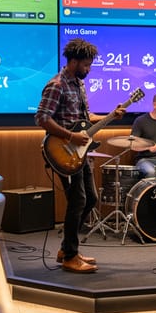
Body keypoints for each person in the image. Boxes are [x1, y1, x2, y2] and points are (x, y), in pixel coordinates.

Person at [35, 38, 125, 274]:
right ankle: (70, 256)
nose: (89, 69)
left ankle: (67, 247)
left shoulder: (78, 84)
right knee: (78, 201)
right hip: (61, 152)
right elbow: (42, 118)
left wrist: (109, 116)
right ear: (73, 62)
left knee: (90, 200)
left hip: (79, 153)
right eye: (86, 65)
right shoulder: (56, 85)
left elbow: (84, 117)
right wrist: (71, 137)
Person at [131, 92, 156, 179]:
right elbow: (132, 145)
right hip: (145, 160)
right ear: (154, 105)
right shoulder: (140, 121)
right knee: (151, 172)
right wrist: (148, 148)